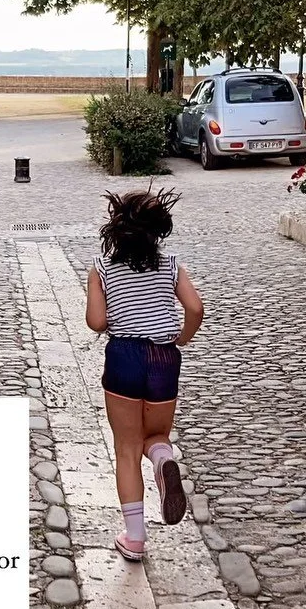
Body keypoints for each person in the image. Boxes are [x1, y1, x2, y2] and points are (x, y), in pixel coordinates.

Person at [85, 188, 204, 562]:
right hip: (164, 358)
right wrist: (181, 338)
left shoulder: (102, 269)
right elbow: (195, 308)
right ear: (158, 231)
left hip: (125, 356)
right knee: (156, 436)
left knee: (126, 448)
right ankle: (163, 459)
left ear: (116, 229)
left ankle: (135, 538)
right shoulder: (171, 266)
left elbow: (96, 322)